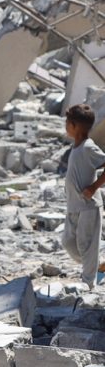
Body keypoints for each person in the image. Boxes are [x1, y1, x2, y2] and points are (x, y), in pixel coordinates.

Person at [63, 104, 105, 287]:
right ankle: (97, 263)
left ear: (75, 126)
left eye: (67, 122)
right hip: (73, 205)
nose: (65, 126)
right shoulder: (76, 147)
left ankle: (88, 285)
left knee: (87, 246)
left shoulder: (88, 147)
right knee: (68, 243)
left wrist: (94, 186)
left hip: (88, 206)